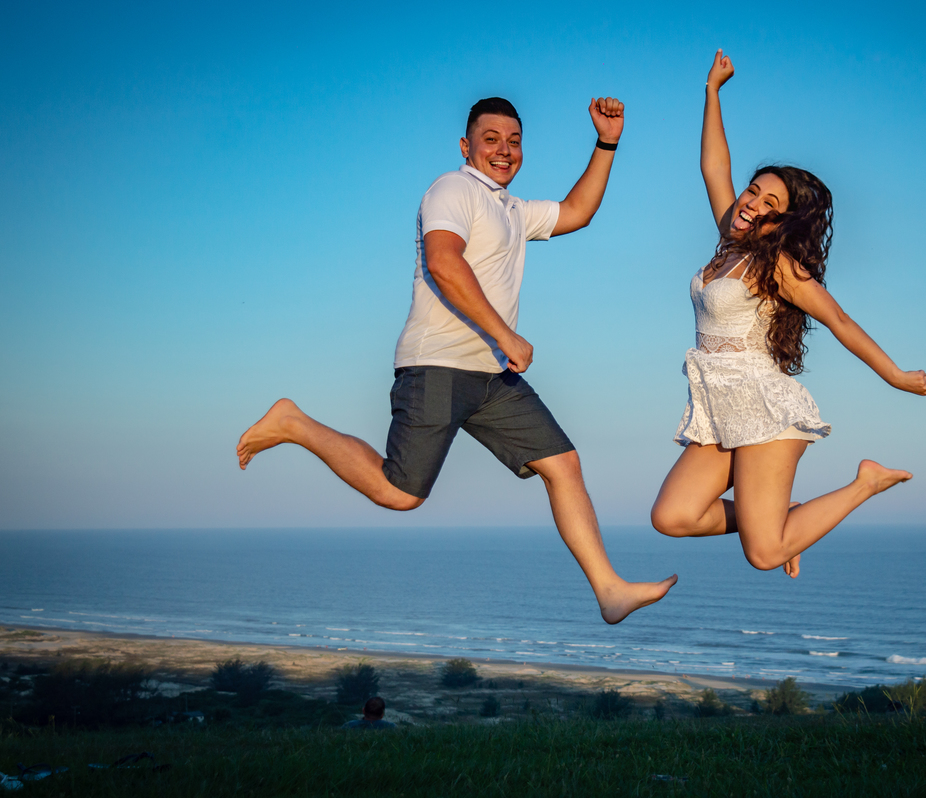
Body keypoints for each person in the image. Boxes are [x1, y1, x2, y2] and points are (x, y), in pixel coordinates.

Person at [238, 96, 676, 623]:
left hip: (492, 374)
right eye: (491, 139)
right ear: (467, 146)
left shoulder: (512, 210)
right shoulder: (452, 189)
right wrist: (506, 335)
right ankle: (294, 422)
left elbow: (578, 212)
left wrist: (606, 142)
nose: (504, 150)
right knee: (400, 494)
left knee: (563, 465)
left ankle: (609, 589)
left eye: (514, 141)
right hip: (438, 363)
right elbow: (443, 262)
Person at [649, 50, 926, 577]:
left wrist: (896, 376)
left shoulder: (777, 266)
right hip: (716, 408)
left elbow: (841, 321)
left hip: (762, 409)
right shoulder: (727, 237)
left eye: (768, 205)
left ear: (782, 222)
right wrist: (713, 91)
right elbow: (713, 165)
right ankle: (784, 516)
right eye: (753, 191)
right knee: (672, 516)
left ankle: (864, 482)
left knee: (764, 553)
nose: (751, 203)